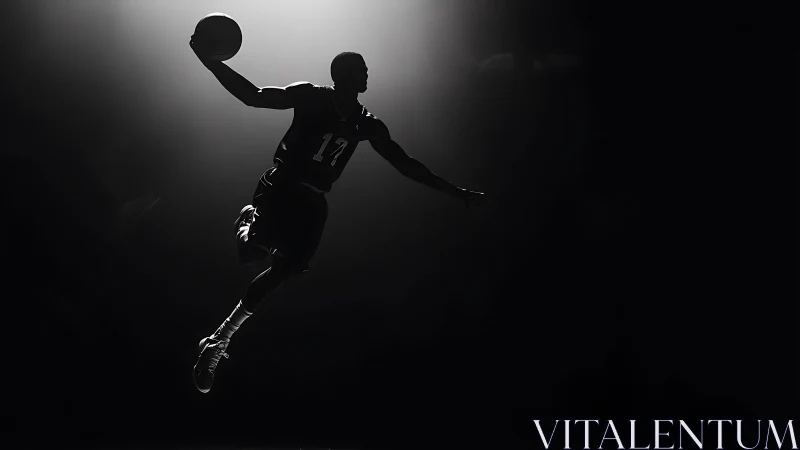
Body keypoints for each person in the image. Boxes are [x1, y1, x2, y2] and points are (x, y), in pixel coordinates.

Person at [189, 33, 485, 394]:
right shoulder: (311, 96)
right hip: (282, 185)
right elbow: (254, 96)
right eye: (360, 69)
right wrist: (211, 61)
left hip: (313, 202)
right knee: (250, 255)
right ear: (342, 74)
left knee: (287, 270)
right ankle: (249, 218)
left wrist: (453, 191)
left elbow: (405, 164)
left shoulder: (367, 123)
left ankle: (219, 340)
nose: (366, 74)